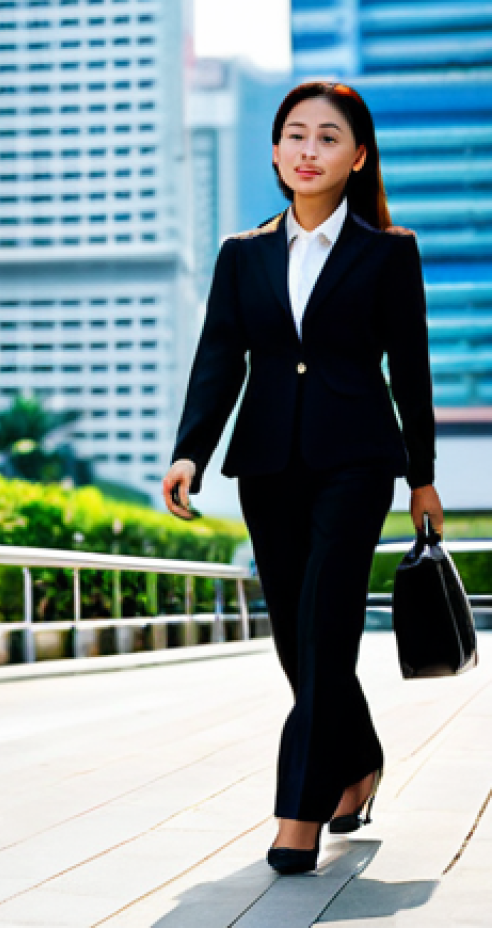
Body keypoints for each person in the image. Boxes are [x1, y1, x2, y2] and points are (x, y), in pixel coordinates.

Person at [162, 81, 443, 875]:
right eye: (295, 135)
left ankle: (298, 812)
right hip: (267, 463)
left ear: (357, 157)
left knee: (325, 625)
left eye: (327, 138)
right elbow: (219, 357)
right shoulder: (241, 253)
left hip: (357, 460)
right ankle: (359, 761)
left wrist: (421, 478)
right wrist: (191, 451)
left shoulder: (389, 252)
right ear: (277, 152)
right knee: (296, 637)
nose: (308, 150)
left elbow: (412, 370)